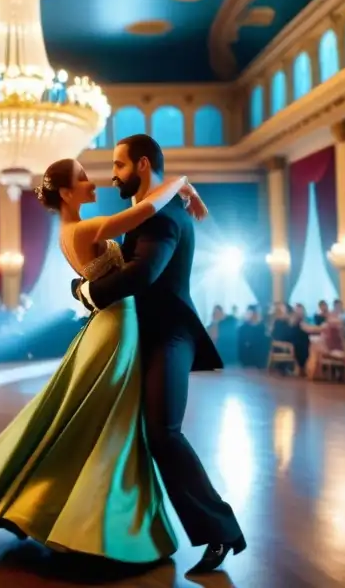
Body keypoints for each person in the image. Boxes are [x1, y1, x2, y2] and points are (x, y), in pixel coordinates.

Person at [72, 135, 244, 573]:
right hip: (149, 335)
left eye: (118, 164)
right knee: (132, 432)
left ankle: (222, 532)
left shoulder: (162, 213)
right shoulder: (158, 206)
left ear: (143, 165)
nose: (112, 174)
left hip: (170, 335)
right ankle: (122, 530)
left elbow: (144, 273)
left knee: (163, 432)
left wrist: (88, 291)